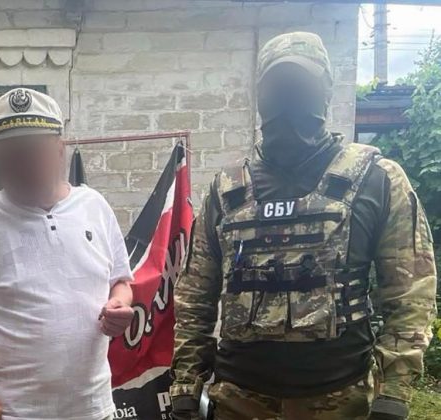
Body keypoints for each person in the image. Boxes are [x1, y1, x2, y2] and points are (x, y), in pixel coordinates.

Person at [170, 32, 437, 420]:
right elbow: (195, 294)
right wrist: (185, 385)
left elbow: (410, 291)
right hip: (239, 399)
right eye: (278, 86)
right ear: (260, 96)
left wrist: (394, 393)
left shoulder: (377, 179)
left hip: (339, 397)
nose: (288, 98)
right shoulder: (227, 190)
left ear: (325, 90)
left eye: (301, 85)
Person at [0, 88, 134, 420]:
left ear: (59, 149)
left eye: (33, 152)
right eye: (12, 155)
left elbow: (121, 281)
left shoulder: (94, 206)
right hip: (14, 411)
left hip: (93, 408)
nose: (23, 165)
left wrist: (119, 303)